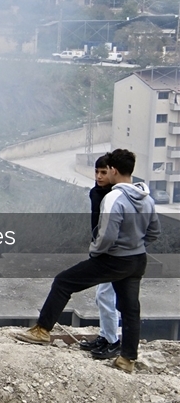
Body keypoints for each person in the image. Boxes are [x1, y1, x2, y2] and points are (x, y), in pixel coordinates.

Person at [14, 149, 159, 373]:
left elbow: (107, 234)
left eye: (107, 169)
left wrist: (95, 251)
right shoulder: (147, 198)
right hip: (137, 260)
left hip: (113, 259)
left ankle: (42, 330)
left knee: (63, 282)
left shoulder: (114, 198)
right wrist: (135, 247)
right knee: (130, 309)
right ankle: (127, 359)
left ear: (114, 170)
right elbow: (153, 232)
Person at [78, 153, 122, 360]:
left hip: (113, 253)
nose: (99, 176)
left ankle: (113, 341)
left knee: (106, 296)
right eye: (96, 172)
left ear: (113, 172)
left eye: (104, 172)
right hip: (102, 249)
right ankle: (106, 336)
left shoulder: (115, 196)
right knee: (103, 296)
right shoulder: (96, 193)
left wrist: (102, 248)